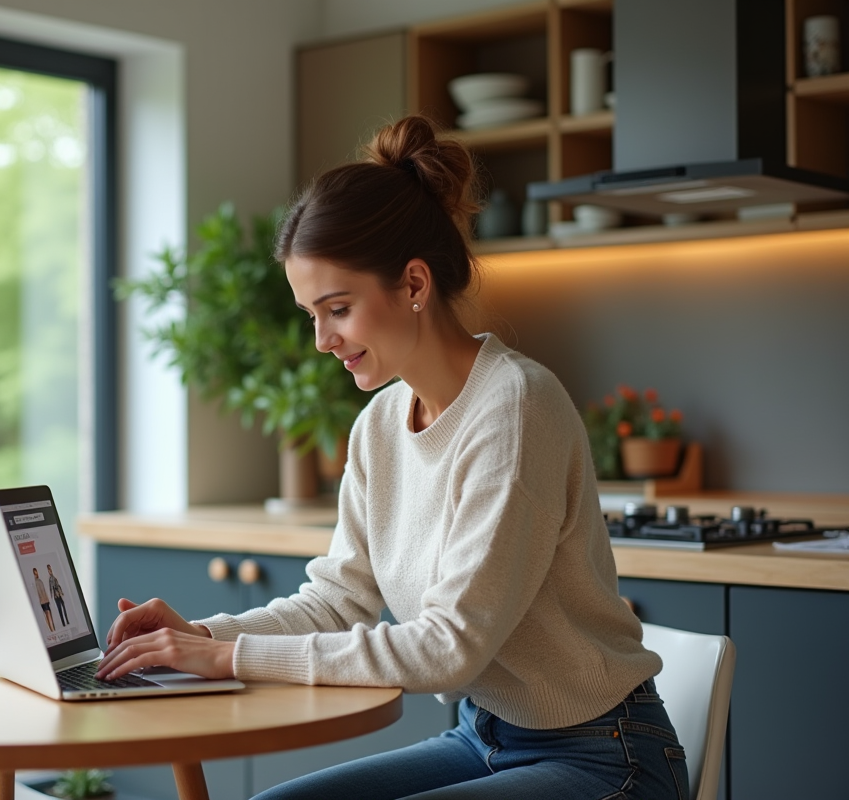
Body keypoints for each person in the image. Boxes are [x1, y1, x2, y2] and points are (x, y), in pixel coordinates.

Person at [96, 114, 687, 800]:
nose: (322, 339)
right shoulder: (379, 424)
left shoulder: (516, 408)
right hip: (482, 736)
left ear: (412, 284)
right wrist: (200, 633)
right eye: (310, 315)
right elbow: (338, 599)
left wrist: (225, 657)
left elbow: (446, 647)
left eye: (337, 309)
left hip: (606, 756)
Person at [32, 567, 55, 632]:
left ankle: (51, 629)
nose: (36, 574)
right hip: (44, 600)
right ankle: (52, 629)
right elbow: (42, 591)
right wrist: (46, 599)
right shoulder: (38, 581)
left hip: (43, 601)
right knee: (48, 614)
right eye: (35, 573)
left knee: (47, 615)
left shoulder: (36, 581)